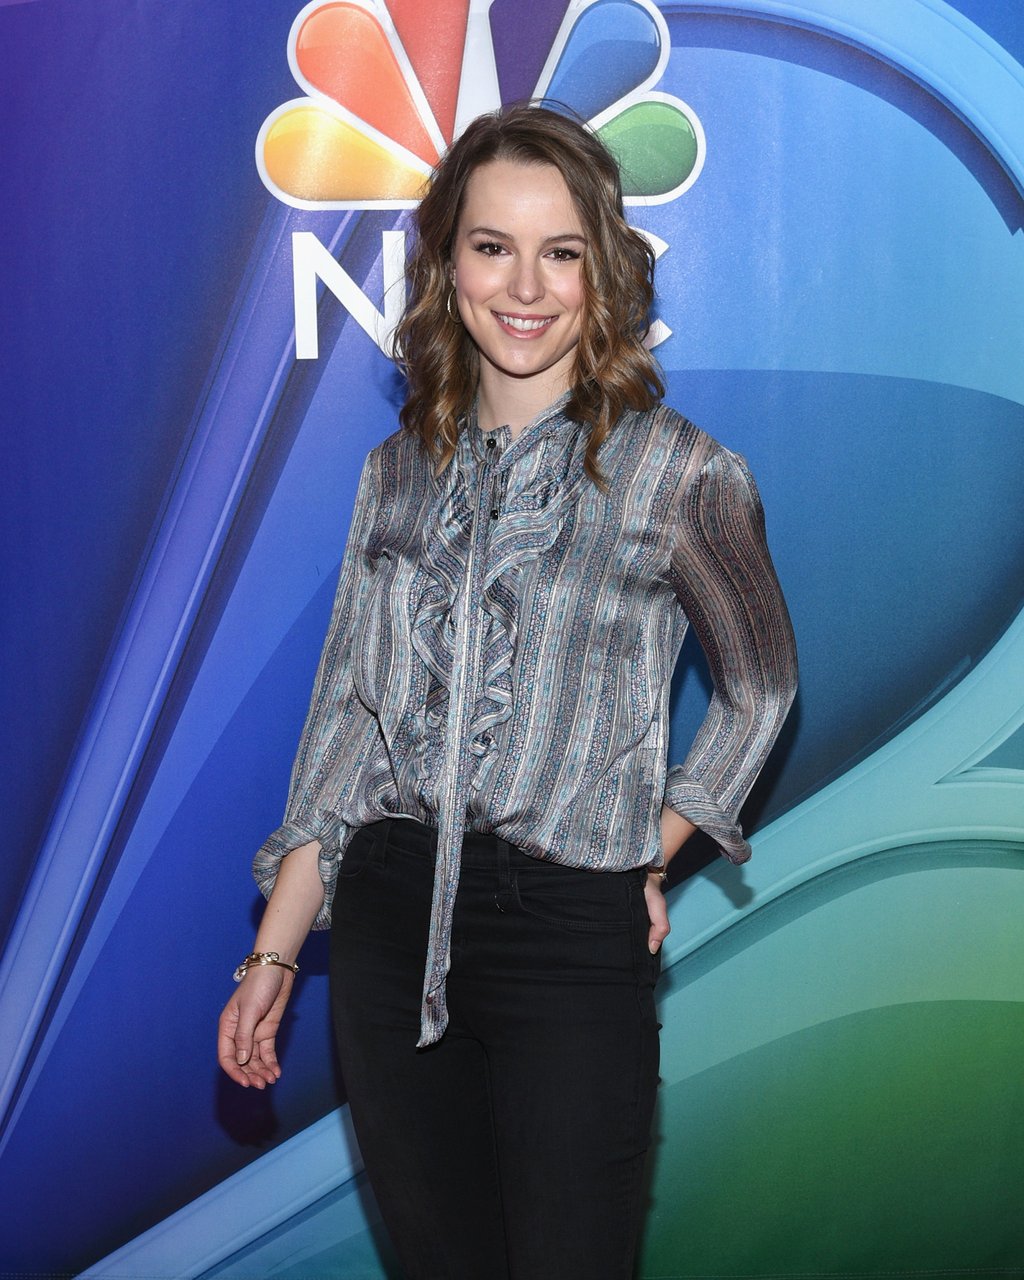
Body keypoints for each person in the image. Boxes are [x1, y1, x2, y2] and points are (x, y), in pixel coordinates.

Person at [218, 104, 797, 1279]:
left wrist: (648, 851)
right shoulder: (395, 470)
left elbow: (761, 683)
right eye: (491, 246)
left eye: (561, 250)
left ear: (605, 269)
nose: (524, 284)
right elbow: (346, 717)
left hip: (566, 941)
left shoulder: (680, 470)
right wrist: (276, 951)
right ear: (445, 266)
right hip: (382, 926)